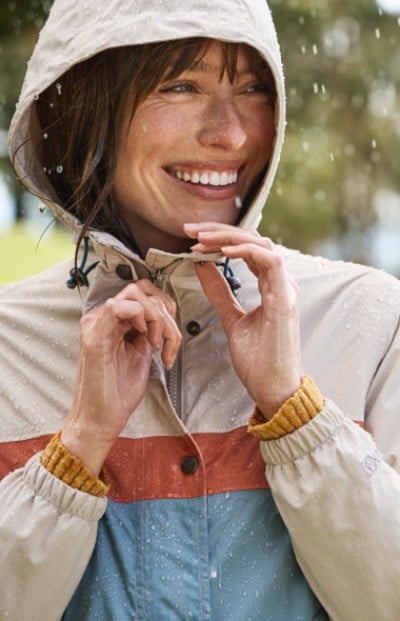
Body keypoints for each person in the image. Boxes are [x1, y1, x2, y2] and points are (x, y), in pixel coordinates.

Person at [0, 0, 399, 619]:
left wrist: (295, 413)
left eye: (254, 89)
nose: (232, 134)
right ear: (79, 105)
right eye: (181, 86)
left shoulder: (370, 319)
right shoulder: (7, 343)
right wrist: (77, 450)